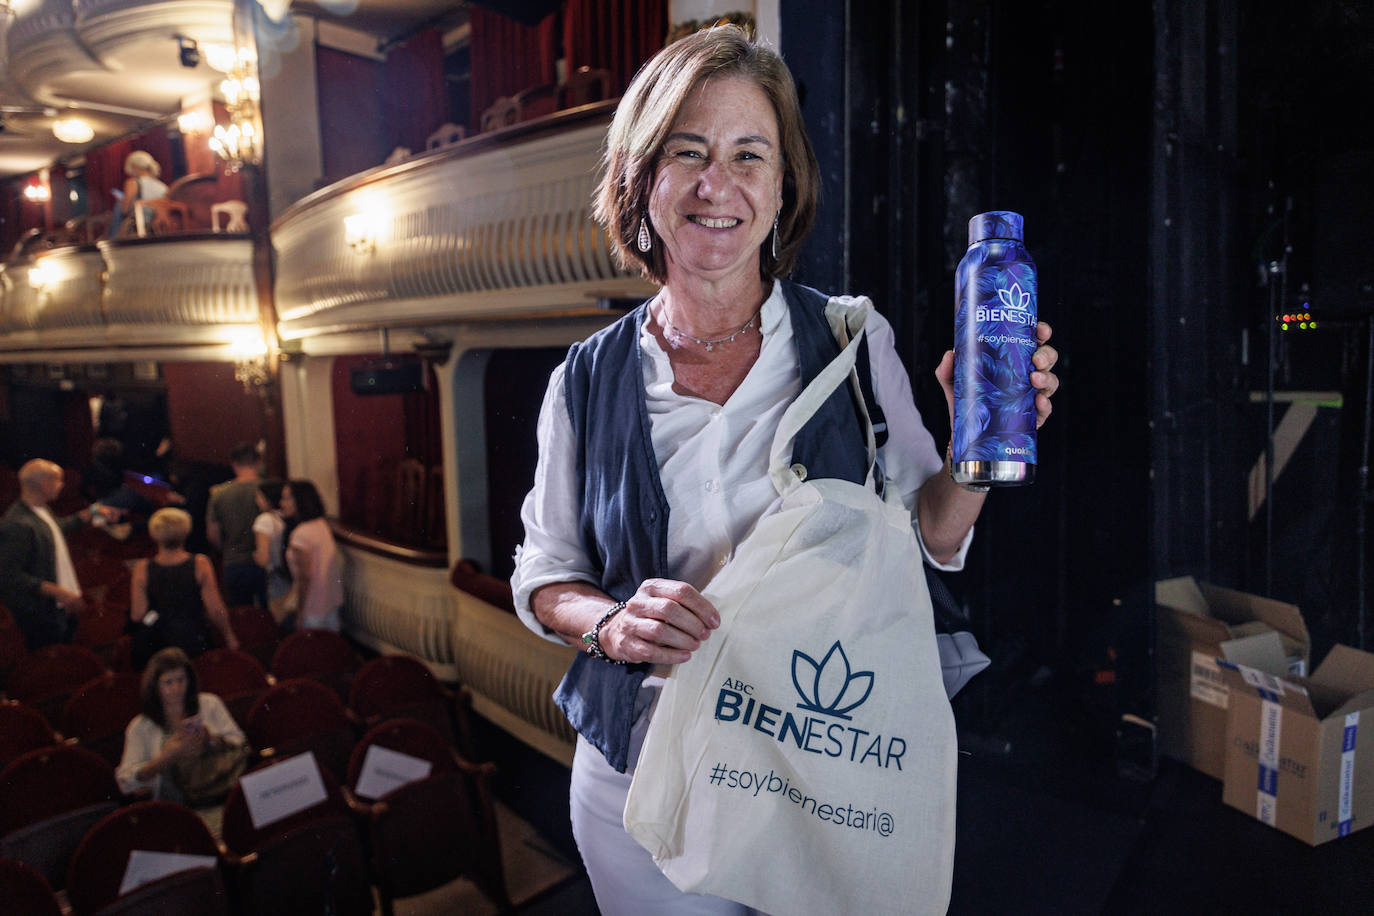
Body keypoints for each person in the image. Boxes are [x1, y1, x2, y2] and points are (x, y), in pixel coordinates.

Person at [510, 26, 1060, 915]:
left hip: (820, 768)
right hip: (643, 782)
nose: (714, 184)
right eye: (685, 152)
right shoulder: (582, 380)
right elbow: (542, 578)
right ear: (641, 180)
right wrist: (611, 622)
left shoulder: (852, 341)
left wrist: (977, 447)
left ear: (782, 185)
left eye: (747, 155)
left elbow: (930, 532)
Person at [0, 459, 118, 650]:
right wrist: (57, 591)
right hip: (39, 616)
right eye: (58, 481)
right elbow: (8, 575)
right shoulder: (17, 525)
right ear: (44, 484)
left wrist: (93, 511)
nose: (62, 485)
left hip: (56, 608)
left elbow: (57, 528)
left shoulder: (41, 510)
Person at [115, 647, 247, 803]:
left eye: (181, 680)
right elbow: (126, 780)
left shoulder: (209, 703)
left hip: (218, 791)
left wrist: (209, 739)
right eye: (168, 682)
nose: (176, 689)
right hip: (173, 805)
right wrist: (165, 758)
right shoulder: (140, 726)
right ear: (155, 686)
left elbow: (240, 742)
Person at [130, 507, 238, 667]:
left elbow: (137, 614)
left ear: (154, 534)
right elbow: (215, 609)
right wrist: (229, 636)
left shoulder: (142, 567)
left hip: (158, 641)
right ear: (186, 531)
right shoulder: (200, 563)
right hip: (193, 637)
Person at [207, 442, 266, 607]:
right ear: (258, 461)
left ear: (234, 464)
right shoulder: (268, 489)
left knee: (241, 616)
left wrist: (225, 549)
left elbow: (212, 534)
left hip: (234, 562)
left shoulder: (219, 493)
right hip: (265, 563)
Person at [280, 480, 344, 631]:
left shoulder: (300, 534)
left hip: (313, 607)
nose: (282, 503)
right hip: (330, 601)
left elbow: (305, 577)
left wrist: (301, 611)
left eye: (287, 498)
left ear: (300, 500)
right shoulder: (321, 524)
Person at [252, 479, 292, 614]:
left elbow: (263, 558)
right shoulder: (284, 517)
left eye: (259, 496)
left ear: (268, 499)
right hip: (289, 575)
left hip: (276, 578)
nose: (256, 500)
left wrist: (254, 556)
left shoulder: (264, 520)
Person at [112, 150, 168, 238]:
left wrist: (122, 200)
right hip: (157, 229)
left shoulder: (133, 182)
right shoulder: (162, 186)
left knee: (119, 205)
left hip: (137, 228)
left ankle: (112, 239)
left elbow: (125, 210)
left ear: (135, 167)